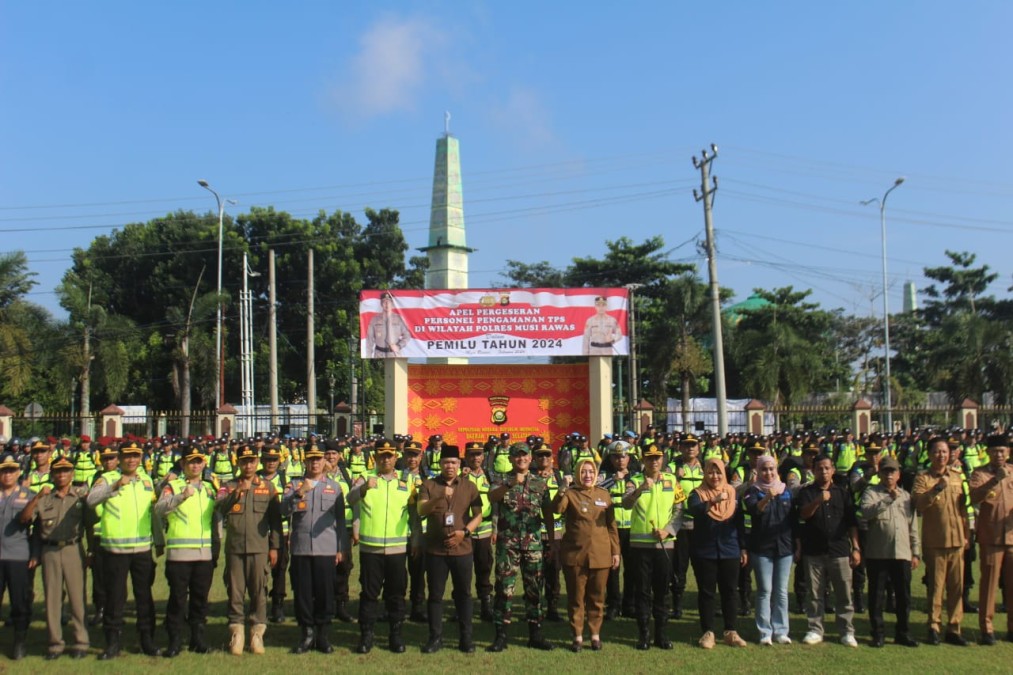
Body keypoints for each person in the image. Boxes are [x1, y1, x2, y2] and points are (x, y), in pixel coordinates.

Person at [86, 441, 161, 659]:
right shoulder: (107, 478)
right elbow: (91, 500)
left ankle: (146, 640)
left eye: (135, 456)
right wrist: (114, 486)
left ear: (140, 458)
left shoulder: (146, 480)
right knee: (115, 597)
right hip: (115, 549)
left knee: (144, 596)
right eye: (127, 456)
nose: (131, 460)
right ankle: (112, 643)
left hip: (142, 549)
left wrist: (158, 541)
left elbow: (152, 513)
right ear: (119, 458)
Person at [486, 442, 556, 652]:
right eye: (517, 456)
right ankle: (501, 636)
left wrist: (552, 542)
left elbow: (548, 514)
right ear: (510, 459)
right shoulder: (500, 480)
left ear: (530, 458)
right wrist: (509, 485)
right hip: (508, 546)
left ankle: (535, 635)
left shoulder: (540, 483)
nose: (521, 459)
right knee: (504, 590)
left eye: (525, 455)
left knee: (534, 590)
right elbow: (491, 497)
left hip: (533, 545)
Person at [348, 439, 415, 654]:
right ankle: (366, 636)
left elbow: (414, 512)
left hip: (397, 549)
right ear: (375, 457)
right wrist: (363, 488)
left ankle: (395, 635)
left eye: (389, 456)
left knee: (396, 594)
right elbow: (350, 499)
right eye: (381, 456)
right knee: (369, 594)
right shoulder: (365, 477)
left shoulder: (406, 480)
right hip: (371, 548)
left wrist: (416, 539)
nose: (386, 459)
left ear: (396, 457)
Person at [216, 444, 283, 656]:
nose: (248, 465)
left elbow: (275, 521)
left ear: (257, 462)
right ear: (238, 462)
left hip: (259, 548)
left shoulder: (268, 488)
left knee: (259, 592)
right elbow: (219, 508)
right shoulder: (228, 486)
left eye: (252, 461)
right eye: (244, 461)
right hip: (235, 549)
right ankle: (237, 632)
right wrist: (236, 494)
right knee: (235, 592)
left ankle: (257, 633)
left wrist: (275, 547)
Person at [21, 455, 89, 660]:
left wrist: (91, 551)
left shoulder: (80, 498)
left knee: (77, 598)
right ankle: (54, 644)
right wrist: (36, 497)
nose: (62, 475)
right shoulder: (44, 499)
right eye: (58, 471)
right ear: (52, 474)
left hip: (73, 549)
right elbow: (26, 519)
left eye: (66, 471)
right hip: (49, 551)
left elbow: (90, 525)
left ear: (72, 474)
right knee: (52, 599)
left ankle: (81, 642)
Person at [282, 444, 348, 654]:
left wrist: (340, 548)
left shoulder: (334, 487)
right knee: (303, 593)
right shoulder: (294, 485)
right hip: (301, 548)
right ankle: (307, 634)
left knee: (325, 593)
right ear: (305, 462)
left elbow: (340, 520)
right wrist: (299, 493)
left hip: (326, 549)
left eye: (318, 459)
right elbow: (283, 510)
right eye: (311, 459)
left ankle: (323, 635)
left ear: (324, 461)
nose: (315, 463)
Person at [417, 444, 483, 653]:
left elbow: (478, 515)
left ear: (459, 463)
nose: (450, 466)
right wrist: (438, 497)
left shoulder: (469, 486)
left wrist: (465, 532)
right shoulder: (429, 484)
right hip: (435, 550)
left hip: (462, 549)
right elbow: (421, 509)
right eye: (446, 462)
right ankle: (435, 638)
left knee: (464, 594)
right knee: (435, 595)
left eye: (454, 462)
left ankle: (466, 638)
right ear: (440, 463)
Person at [155, 446, 218, 657]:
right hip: (180, 553)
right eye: (191, 461)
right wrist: (181, 496)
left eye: (199, 461)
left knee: (200, 599)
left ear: (204, 463)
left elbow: (216, 517)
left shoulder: (210, 488)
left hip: (203, 553)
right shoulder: (173, 486)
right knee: (178, 599)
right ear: (183, 464)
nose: (195, 465)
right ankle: (174, 640)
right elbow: (159, 509)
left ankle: (197, 639)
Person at [553, 457, 619, 652]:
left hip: (601, 554)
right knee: (576, 597)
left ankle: (595, 634)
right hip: (575, 554)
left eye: (591, 472)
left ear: (596, 474)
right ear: (577, 474)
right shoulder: (570, 493)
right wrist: (562, 489)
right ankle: (578, 635)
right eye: (583, 472)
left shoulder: (604, 495)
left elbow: (611, 526)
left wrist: (616, 551)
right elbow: (557, 509)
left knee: (597, 597)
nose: (587, 475)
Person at [622, 444, 684, 650]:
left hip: (664, 545)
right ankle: (644, 635)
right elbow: (625, 503)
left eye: (657, 457)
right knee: (642, 591)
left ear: (662, 459)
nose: (654, 461)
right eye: (650, 458)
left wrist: (668, 530)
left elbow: (679, 510)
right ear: (643, 460)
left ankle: (661, 635)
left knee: (662, 591)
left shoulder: (672, 481)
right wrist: (640, 490)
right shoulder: (634, 480)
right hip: (640, 546)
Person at [796, 454, 861, 647]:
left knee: (844, 593)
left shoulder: (842, 493)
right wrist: (818, 500)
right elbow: (803, 514)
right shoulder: (807, 492)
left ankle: (846, 631)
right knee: (815, 593)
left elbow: (851, 522)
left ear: (833, 470)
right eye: (819, 468)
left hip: (839, 550)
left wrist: (856, 547)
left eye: (827, 468)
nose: (823, 471)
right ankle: (815, 629)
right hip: (813, 550)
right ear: (813, 471)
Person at [912, 436, 970, 646]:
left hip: (957, 541)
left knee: (957, 588)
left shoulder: (957, 476)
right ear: (929, 454)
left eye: (945, 451)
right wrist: (936, 488)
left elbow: (963, 508)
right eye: (937, 451)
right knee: (936, 588)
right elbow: (918, 504)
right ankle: (934, 626)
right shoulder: (923, 478)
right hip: (935, 541)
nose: (941, 455)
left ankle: (954, 628)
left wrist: (966, 535)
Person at [687, 458, 748, 649]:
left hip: (730, 549)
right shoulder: (697, 493)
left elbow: (739, 522)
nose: (715, 476)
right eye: (710, 472)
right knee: (707, 592)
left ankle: (731, 631)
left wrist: (743, 547)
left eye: (718, 472)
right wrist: (712, 501)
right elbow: (694, 510)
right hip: (705, 550)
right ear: (705, 474)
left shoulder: (732, 493)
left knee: (730, 591)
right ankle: (708, 632)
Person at [861, 456, 920, 648]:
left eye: (892, 471)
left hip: (901, 552)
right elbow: (865, 513)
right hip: (878, 552)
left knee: (903, 596)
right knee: (876, 596)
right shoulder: (871, 492)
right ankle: (877, 633)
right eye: (885, 471)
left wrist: (916, 551)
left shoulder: (906, 496)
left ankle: (903, 632)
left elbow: (913, 526)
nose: (889, 475)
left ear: (898, 474)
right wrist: (887, 499)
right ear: (879, 473)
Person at [743, 454, 793, 645]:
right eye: (764, 469)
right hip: (762, 548)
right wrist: (767, 497)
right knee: (765, 590)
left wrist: (796, 544)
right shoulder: (752, 491)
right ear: (758, 471)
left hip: (784, 548)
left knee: (781, 591)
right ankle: (765, 632)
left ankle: (781, 631)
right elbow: (754, 510)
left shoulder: (786, 491)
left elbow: (792, 519)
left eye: (771, 469)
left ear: (776, 470)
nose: (768, 473)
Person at [968, 433, 1013, 645]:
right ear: (987, 452)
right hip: (991, 536)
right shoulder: (980, 474)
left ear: (1008, 452)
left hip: (1012, 536)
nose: (999, 455)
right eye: (994, 451)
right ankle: (986, 629)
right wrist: (996, 480)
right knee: (989, 584)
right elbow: (974, 497)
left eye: (1002, 451)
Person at [0, 452, 36, 660]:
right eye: (4, 471)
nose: (7, 475)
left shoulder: (29, 495)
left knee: (19, 601)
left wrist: (35, 553)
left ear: (18, 472)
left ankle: (19, 641)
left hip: (18, 556)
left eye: (11, 470)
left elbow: (37, 529)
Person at [601, 441, 636, 619]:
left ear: (629, 457)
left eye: (623, 456)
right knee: (612, 568)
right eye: (615, 457)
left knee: (632, 568)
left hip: (632, 528)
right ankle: (613, 605)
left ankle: (630, 604)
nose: (620, 460)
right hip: (611, 528)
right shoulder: (604, 475)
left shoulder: (636, 475)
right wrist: (613, 480)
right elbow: (596, 489)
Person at [462, 441, 495, 621]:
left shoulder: (490, 476)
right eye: (472, 454)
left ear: (483, 457)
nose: (475, 458)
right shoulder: (460, 476)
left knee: (484, 568)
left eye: (478, 454)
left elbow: (496, 503)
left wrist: (495, 529)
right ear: (466, 456)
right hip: (464, 531)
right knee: (462, 571)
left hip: (484, 531)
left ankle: (485, 605)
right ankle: (462, 607)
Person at [257, 445, 290, 624]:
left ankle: (278, 605)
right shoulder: (255, 479)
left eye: (274, 459)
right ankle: (259, 605)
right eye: (268, 459)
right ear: (262, 460)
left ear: (279, 461)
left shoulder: (285, 480)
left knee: (280, 570)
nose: (271, 463)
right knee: (258, 571)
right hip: (259, 533)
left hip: (281, 531)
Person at [532, 444, 564, 622]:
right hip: (534, 533)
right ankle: (535, 608)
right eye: (540, 455)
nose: (544, 458)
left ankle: (553, 607)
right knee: (534, 574)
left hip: (556, 534)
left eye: (547, 455)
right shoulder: (529, 477)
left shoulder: (560, 477)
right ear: (534, 458)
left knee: (553, 572)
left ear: (552, 458)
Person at [365, 290, 411, 357]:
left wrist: (399, 346)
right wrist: (368, 356)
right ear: (381, 304)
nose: (387, 304)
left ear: (392, 304)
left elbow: (407, 335)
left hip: (394, 354)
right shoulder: (374, 320)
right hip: (379, 354)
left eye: (389, 302)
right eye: (384, 302)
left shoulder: (399, 319)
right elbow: (369, 340)